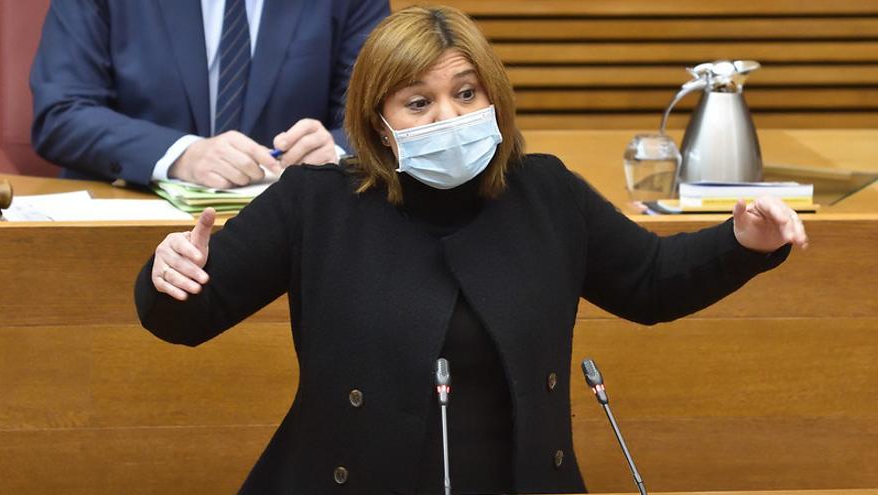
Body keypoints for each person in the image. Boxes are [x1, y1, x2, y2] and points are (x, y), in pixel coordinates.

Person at [134, 5, 809, 494]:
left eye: (465, 93)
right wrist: (168, 274)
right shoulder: (318, 201)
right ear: (379, 123)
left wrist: (744, 242)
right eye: (418, 103)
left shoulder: (544, 191)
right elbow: (188, 316)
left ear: (494, 96)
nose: (449, 118)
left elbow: (653, 282)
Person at [30, 0, 389, 188]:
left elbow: (386, 118)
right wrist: (182, 155)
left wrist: (336, 151)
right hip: (127, 218)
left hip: (292, 236)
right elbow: (61, 114)